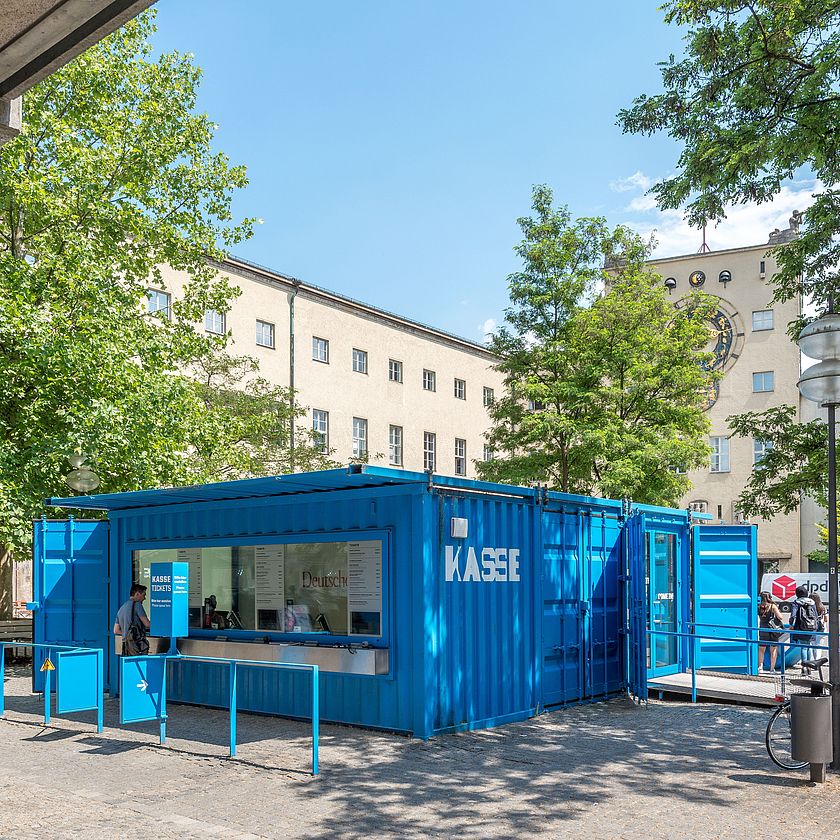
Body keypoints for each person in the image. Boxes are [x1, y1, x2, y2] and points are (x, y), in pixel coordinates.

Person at [113, 583, 150, 655]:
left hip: (126, 645)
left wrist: (127, 634)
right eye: (144, 595)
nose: (144, 598)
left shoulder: (122, 608)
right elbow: (147, 624)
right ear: (137, 594)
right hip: (137, 645)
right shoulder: (137, 605)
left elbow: (116, 630)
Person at [789, 585, 820, 664]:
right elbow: (816, 615)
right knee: (809, 646)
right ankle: (809, 666)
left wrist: (791, 624)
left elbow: (793, 615)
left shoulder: (796, 602)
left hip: (801, 627)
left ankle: (804, 667)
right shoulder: (812, 602)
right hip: (812, 627)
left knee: (804, 647)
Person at [757, 591, 785, 672]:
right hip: (773, 631)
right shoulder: (772, 606)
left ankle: (760, 668)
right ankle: (772, 669)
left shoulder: (759, 606)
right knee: (773, 650)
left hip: (762, 629)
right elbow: (780, 617)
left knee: (761, 649)